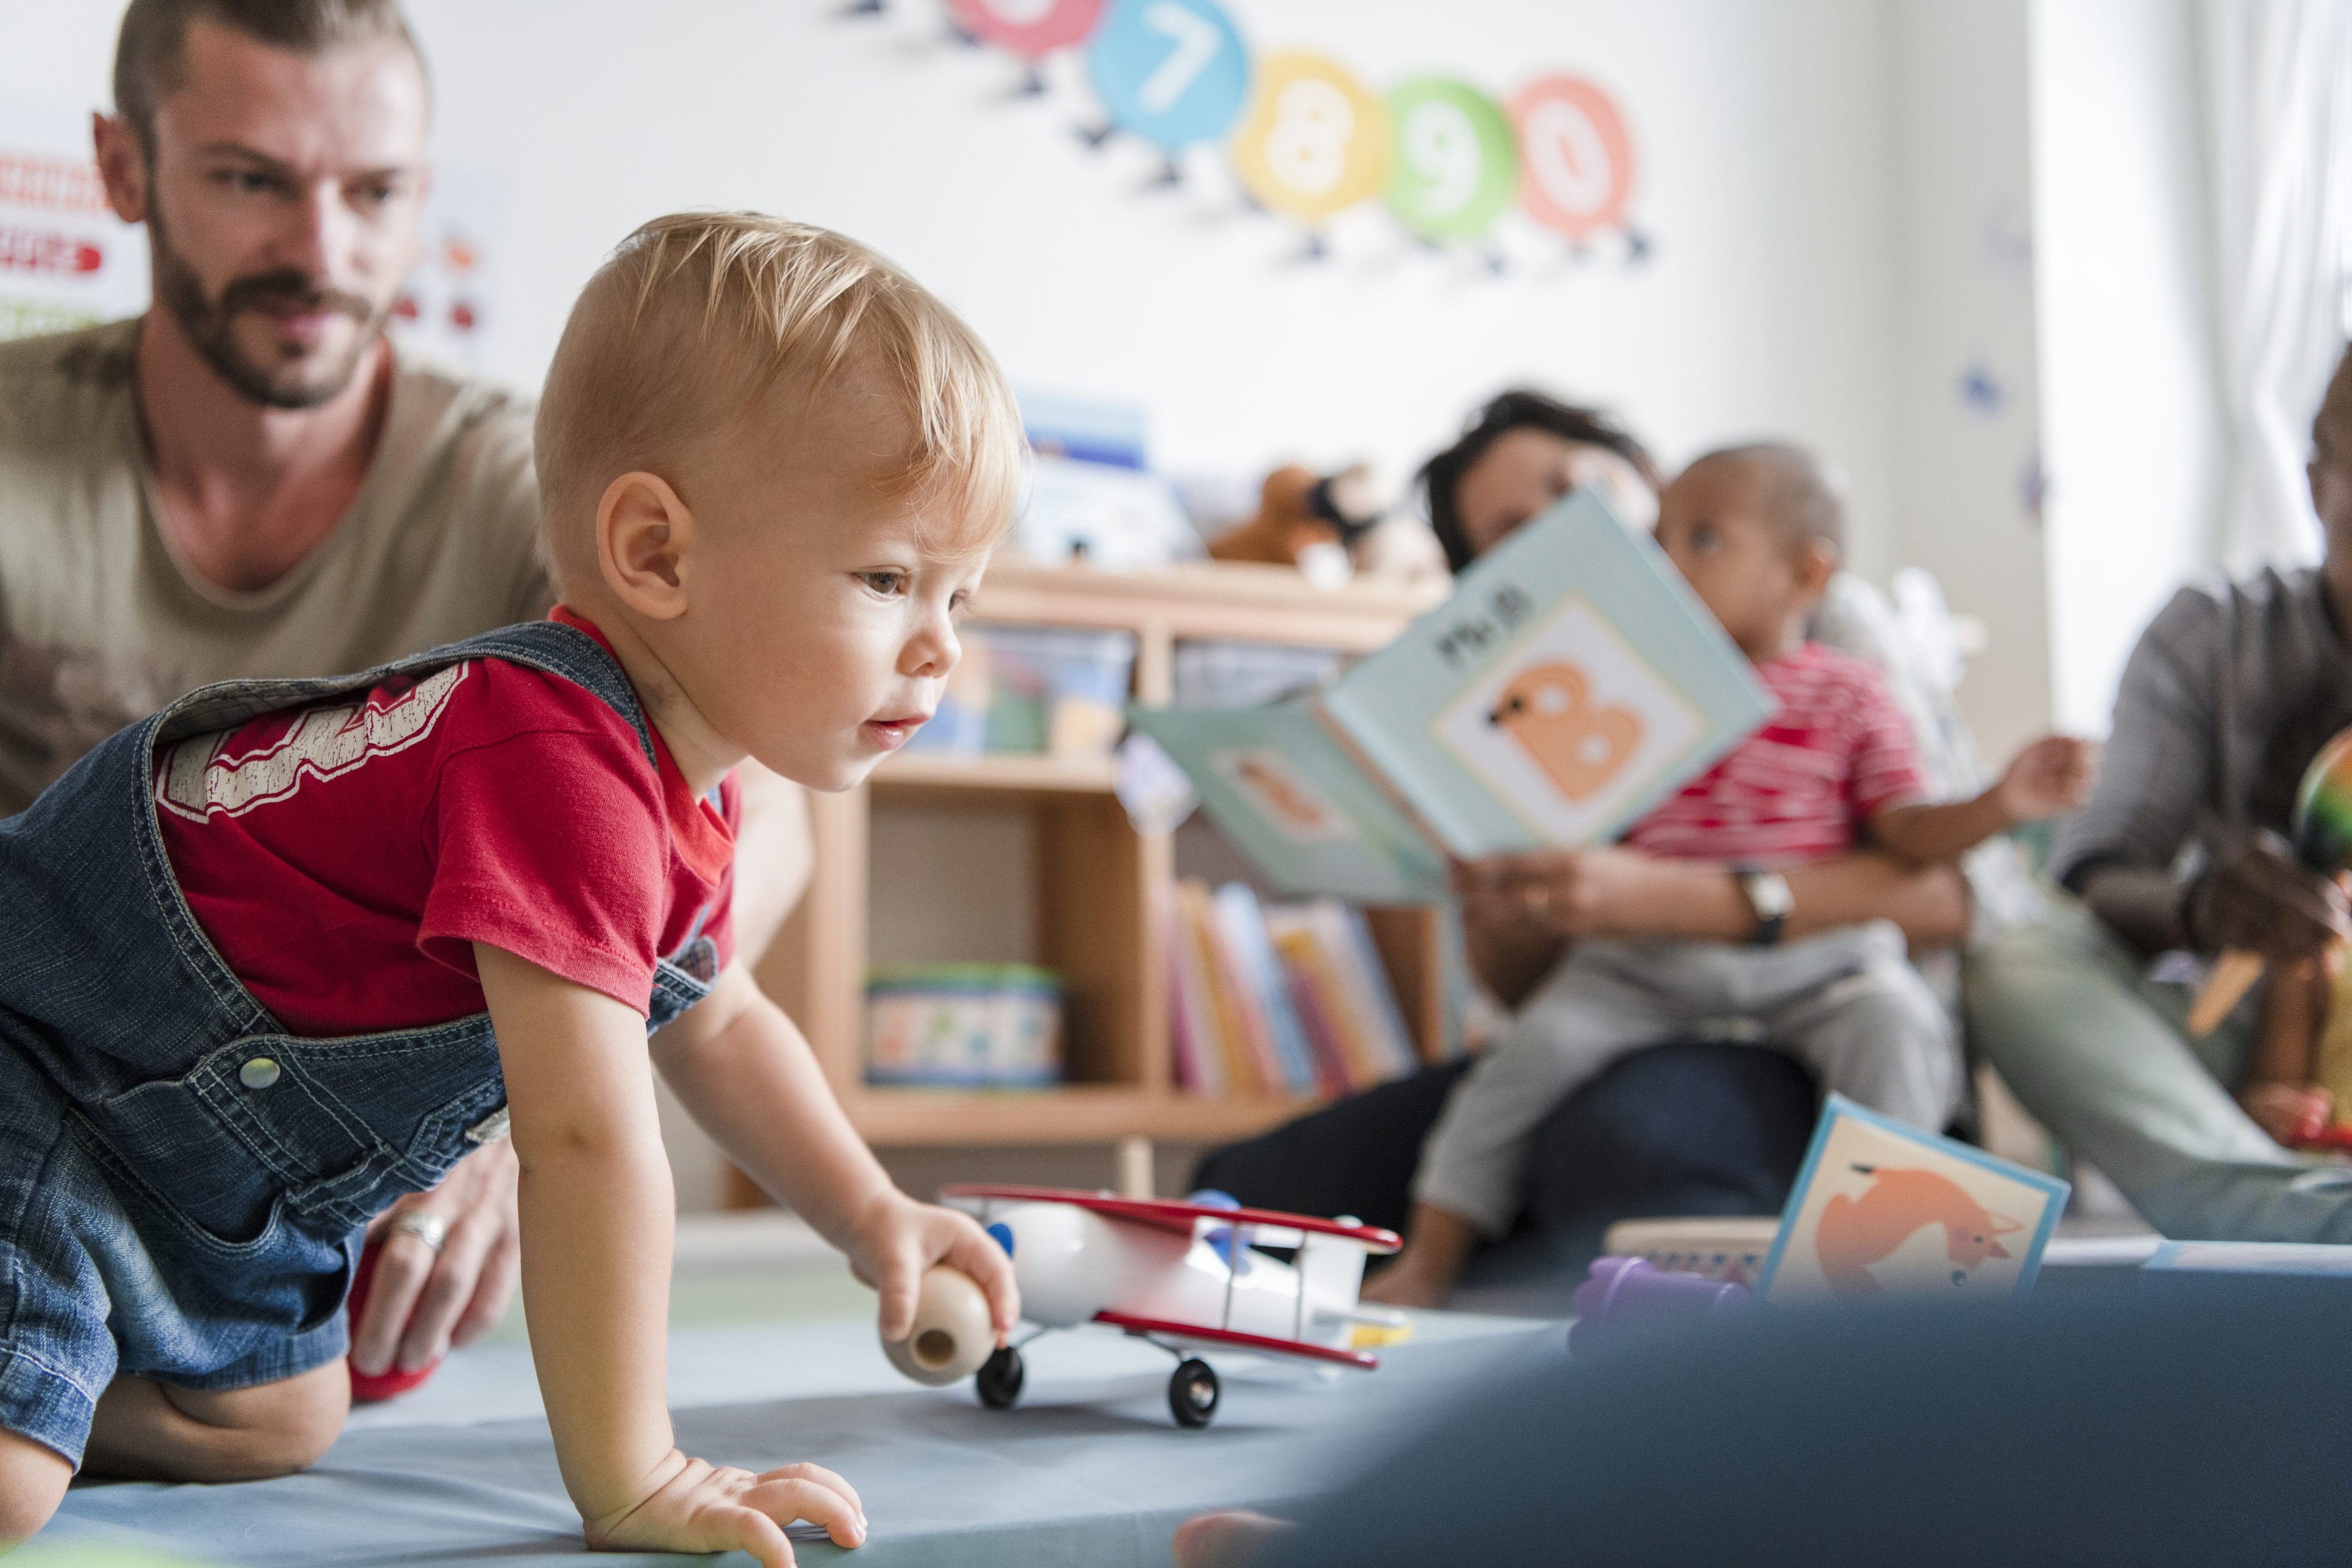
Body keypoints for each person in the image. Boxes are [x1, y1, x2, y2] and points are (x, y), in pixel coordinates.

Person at [0, 210, 1024, 1556]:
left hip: (193, 1185)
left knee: (284, 1422)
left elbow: (717, 1017)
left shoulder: (682, 789)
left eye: (963, 596)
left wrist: (869, 1211)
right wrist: (636, 1473)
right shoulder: (550, 760)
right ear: (655, 552)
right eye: (891, 577)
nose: (939, 649)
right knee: (14, 1482)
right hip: (47, 1064)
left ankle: (60, 1374)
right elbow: (587, 1140)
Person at [0, 0, 807, 1391]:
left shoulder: (532, 487)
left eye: (374, 193)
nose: (321, 253)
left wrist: (524, 1105)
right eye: (251, 180)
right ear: (125, 170)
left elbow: (750, 810)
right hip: (32, 1107)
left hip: (320, 1192)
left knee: (300, 1410)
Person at [1197, 393, 1976, 1291]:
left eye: (1575, 483)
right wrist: (1493, 885)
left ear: (1643, 479)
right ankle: (1466, 1267)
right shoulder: (1522, 690)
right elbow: (1530, 991)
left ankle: (1857, 1292)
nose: (1564, 524)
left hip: (1815, 1003)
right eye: (1512, 529)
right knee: (1247, 1188)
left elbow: (1954, 895)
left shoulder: (1824, 627)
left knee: (1623, 1152)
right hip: (1630, 994)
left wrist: (1685, 901)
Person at [1365, 444, 2095, 1306]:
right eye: (1663, 540)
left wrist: (1999, 804)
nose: (1668, 565)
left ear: (1804, 573)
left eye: (1702, 541)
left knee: (1896, 1028)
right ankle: (1432, 1258)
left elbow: (1910, 834)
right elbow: (1576, 821)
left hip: (1818, 960)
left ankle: (1895, 1283)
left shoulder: (1852, 693)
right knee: (1517, 1067)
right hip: (1642, 964)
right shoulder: (1634, 692)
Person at [1963, 342, 2352, 1242]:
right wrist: (2203, 908)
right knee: (2017, 950)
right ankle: (2283, 1215)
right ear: (2315, 483)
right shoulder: (2212, 637)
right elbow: (2096, 877)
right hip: (2236, 1052)